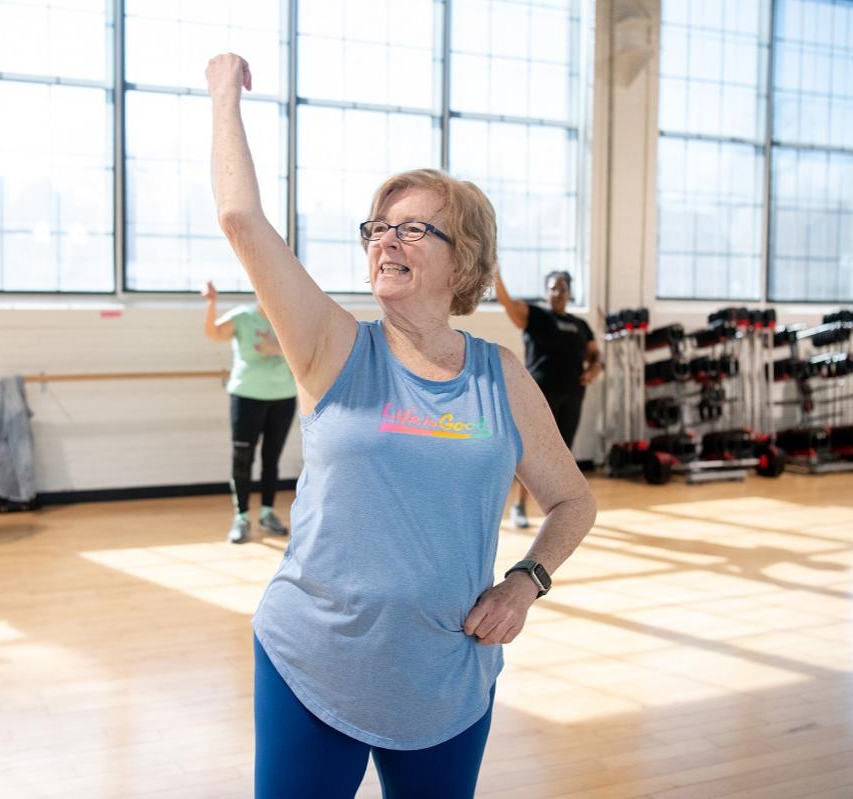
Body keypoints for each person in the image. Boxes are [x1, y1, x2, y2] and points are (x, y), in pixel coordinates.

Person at [207, 53, 596, 799]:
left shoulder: (501, 376)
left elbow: (573, 501)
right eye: (378, 227)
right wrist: (224, 89)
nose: (385, 240)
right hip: (312, 660)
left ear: (466, 260)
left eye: (413, 228)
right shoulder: (331, 346)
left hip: (444, 673)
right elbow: (239, 218)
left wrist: (524, 582)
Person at [494, 268, 602, 528]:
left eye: (562, 289)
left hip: (572, 395)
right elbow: (506, 303)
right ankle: (519, 506)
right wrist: (496, 274)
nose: (557, 293)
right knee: (530, 454)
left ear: (569, 293)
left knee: (563, 454)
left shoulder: (580, 326)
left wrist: (593, 370)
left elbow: (596, 355)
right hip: (539, 396)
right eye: (552, 288)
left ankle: (560, 509)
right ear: (546, 292)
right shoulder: (536, 316)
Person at [203, 279, 297, 544]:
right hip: (246, 396)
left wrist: (276, 348)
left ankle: (267, 513)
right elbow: (213, 333)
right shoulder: (243, 317)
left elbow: (303, 351)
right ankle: (241, 517)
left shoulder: (289, 319)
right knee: (242, 458)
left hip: (283, 396)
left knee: (271, 459)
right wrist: (211, 303)